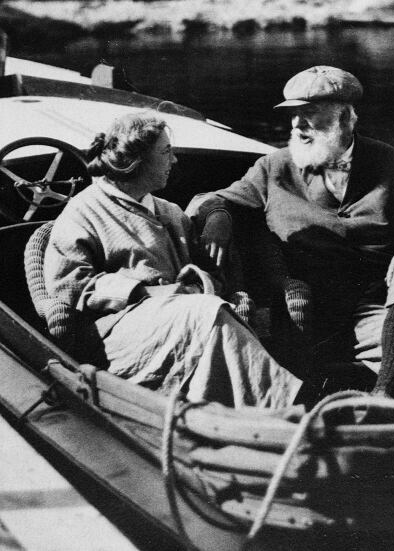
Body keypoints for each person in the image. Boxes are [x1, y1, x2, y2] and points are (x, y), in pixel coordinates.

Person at [189, 66, 394, 400]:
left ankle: (382, 398)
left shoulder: (392, 163)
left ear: (346, 119)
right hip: (308, 308)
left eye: (308, 114)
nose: (297, 125)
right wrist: (218, 215)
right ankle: (365, 390)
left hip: (379, 304)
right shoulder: (273, 167)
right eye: (293, 116)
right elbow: (212, 199)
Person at [43, 111, 300, 408]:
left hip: (182, 315)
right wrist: (144, 291)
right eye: (165, 152)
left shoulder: (170, 212)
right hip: (117, 335)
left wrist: (198, 280)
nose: (174, 161)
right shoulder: (83, 211)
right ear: (135, 161)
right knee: (206, 312)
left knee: (209, 311)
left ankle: (235, 412)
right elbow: (68, 284)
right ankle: (285, 405)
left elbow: (211, 272)